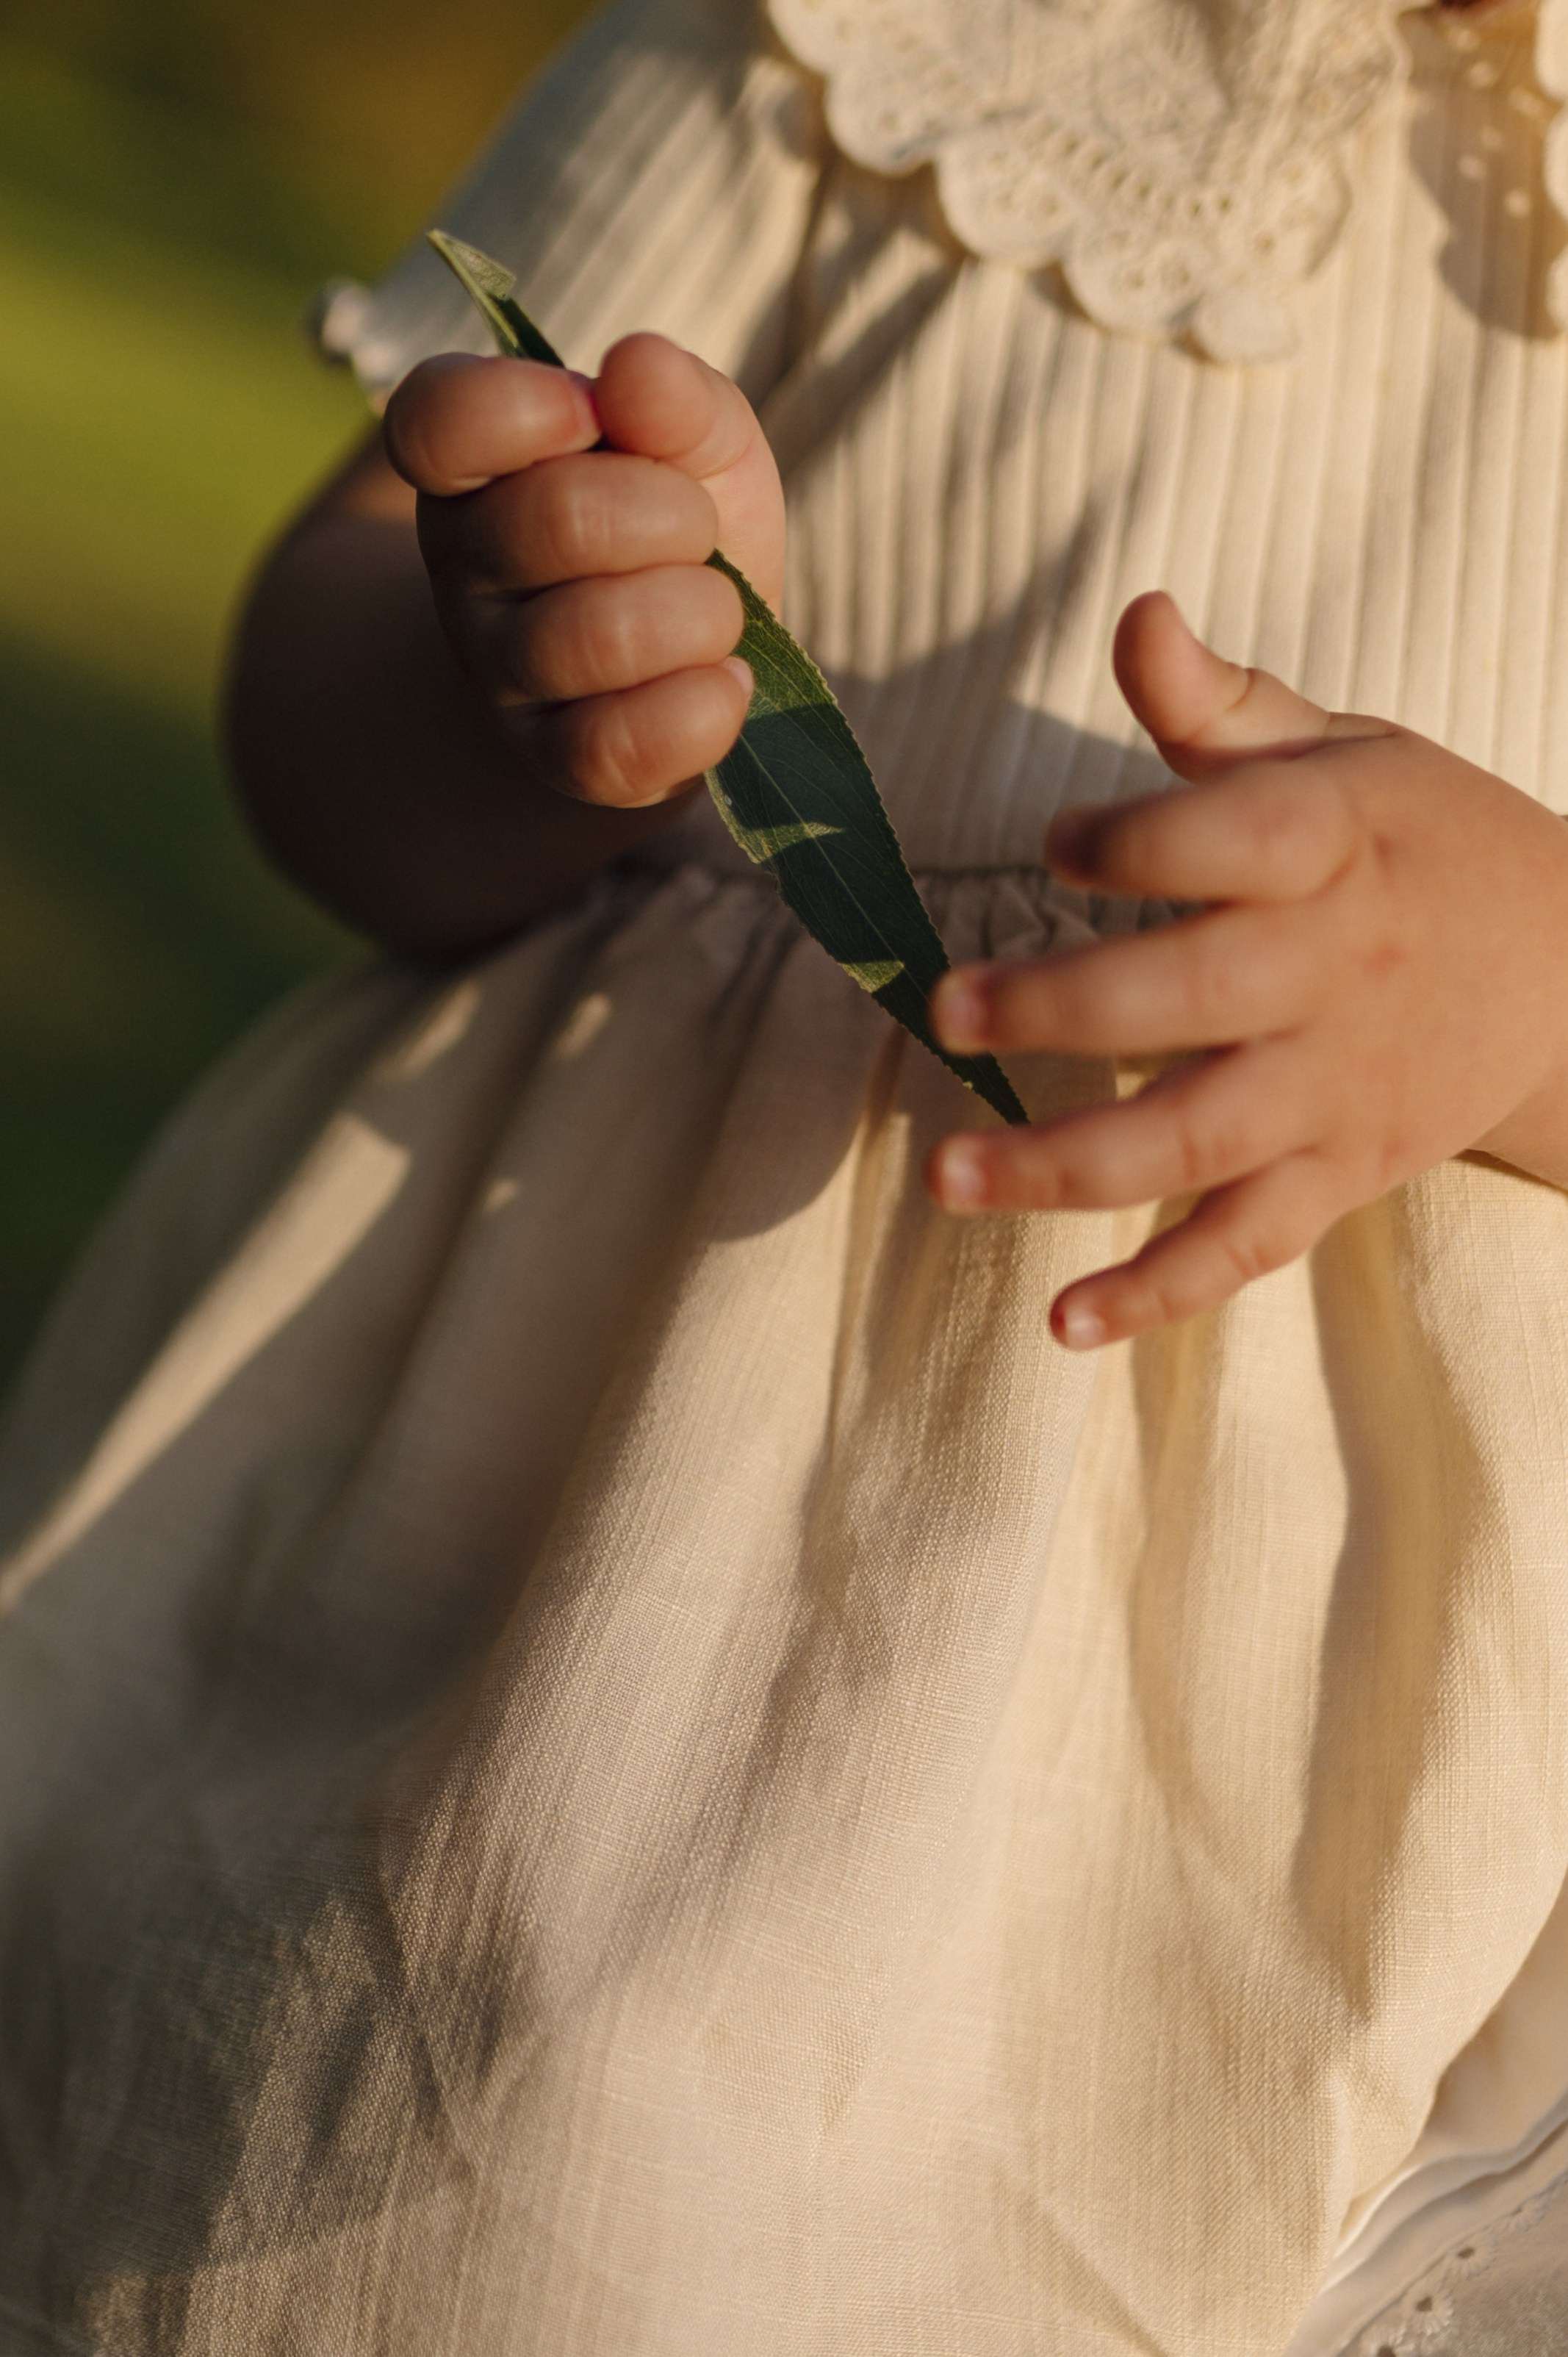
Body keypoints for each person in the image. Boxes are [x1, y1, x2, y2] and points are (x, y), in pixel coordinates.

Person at [0, 0, 1566, 2347]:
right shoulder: (847, 36)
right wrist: (538, 682)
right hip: (591, 1521)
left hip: (1361, 1720)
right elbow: (323, 722)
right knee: (463, 2170)